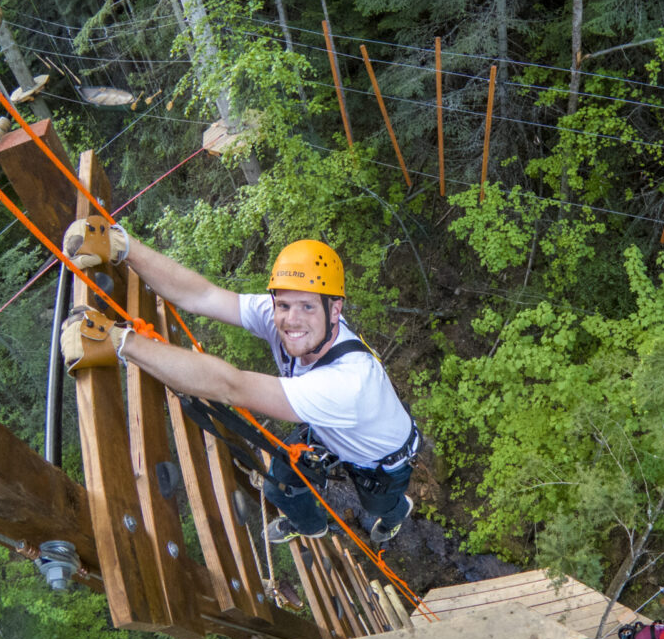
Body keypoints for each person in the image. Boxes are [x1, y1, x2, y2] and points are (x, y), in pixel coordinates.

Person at [58, 220, 419, 546]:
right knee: (281, 484)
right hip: (327, 428)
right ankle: (310, 526)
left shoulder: (352, 383)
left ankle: (395, 513)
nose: (291, 321)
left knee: (379, 501)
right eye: (284, 305)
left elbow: (233, 387)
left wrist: (123, 343)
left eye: (308, 307)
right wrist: (125, 247)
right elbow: (203, 296)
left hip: (379, 461)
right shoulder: (284, 318)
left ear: (335, 310)